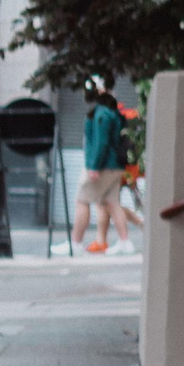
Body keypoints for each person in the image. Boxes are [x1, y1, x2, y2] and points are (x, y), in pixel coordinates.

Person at [72, 86, 133, 254]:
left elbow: (101, 142)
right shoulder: (114, 112)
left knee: (82, 200)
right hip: (116, 165)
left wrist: (94, 166)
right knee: (112, 203)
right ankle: (125, 242)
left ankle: (75, 243)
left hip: (104, 166)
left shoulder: (102, 113)